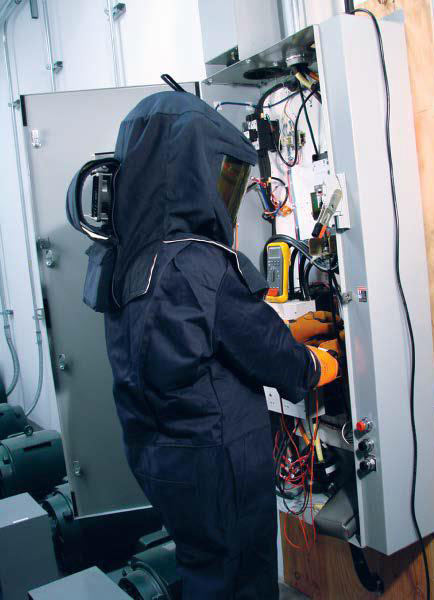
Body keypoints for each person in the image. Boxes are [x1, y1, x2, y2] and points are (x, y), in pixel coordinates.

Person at [103, 90, 338, 599]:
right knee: (240, 578)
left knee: (207, 570)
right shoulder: (198, 260)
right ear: (189, 173)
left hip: (162, 460)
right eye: (223, 176)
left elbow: (197, 341)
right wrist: (321, 364)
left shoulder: (128, 258)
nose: (226, 198)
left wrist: (290, 331)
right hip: (217, 465)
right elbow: (271, 356)